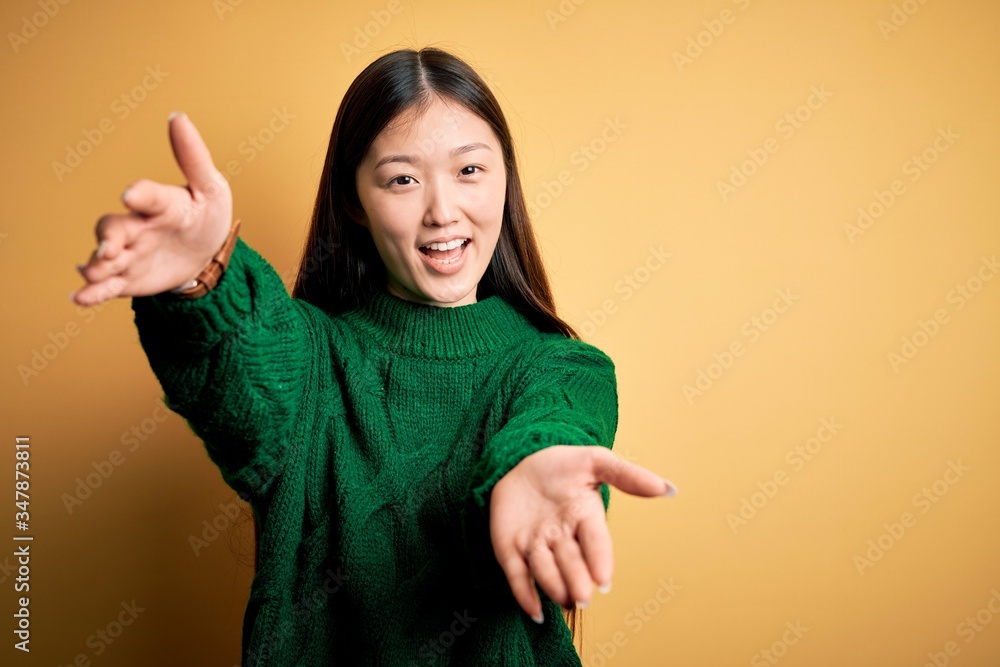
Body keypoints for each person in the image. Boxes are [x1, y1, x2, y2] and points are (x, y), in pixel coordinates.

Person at [70, 47, 677, 666]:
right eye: (402, 179)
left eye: (470, 171)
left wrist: (533, 469)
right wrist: (202, 277)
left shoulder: (563, 367)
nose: (443, 211)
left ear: (505, 180)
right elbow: (239, 353)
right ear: (356, 200)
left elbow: (553, 423)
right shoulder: (310, 364)